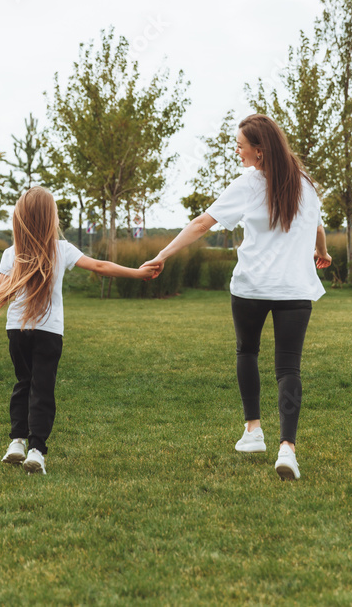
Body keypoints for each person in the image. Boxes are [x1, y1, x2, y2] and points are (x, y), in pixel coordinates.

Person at [143, 114, 331, 481]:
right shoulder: (305, 184)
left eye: (241, 145)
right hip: (295, 289)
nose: (237, 150)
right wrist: (322, 252)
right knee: (289, 367)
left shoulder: (249, 183)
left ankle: (253, 431)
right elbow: (318, 226)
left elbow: (202, 224)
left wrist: (163, 254)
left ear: (259, 152)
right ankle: (288, 449)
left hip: (252, 287)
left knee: (247, 351)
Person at [0, 186, 157, 476]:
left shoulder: (12, 253)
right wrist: (138, 273)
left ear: (20, 218)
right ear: (50, 218)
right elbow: (100, 266)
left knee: (23, 383)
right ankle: (36, 451)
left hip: (16, 331)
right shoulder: (61, 249)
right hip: (48, 333)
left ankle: (17, 442)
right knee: (42, 388)